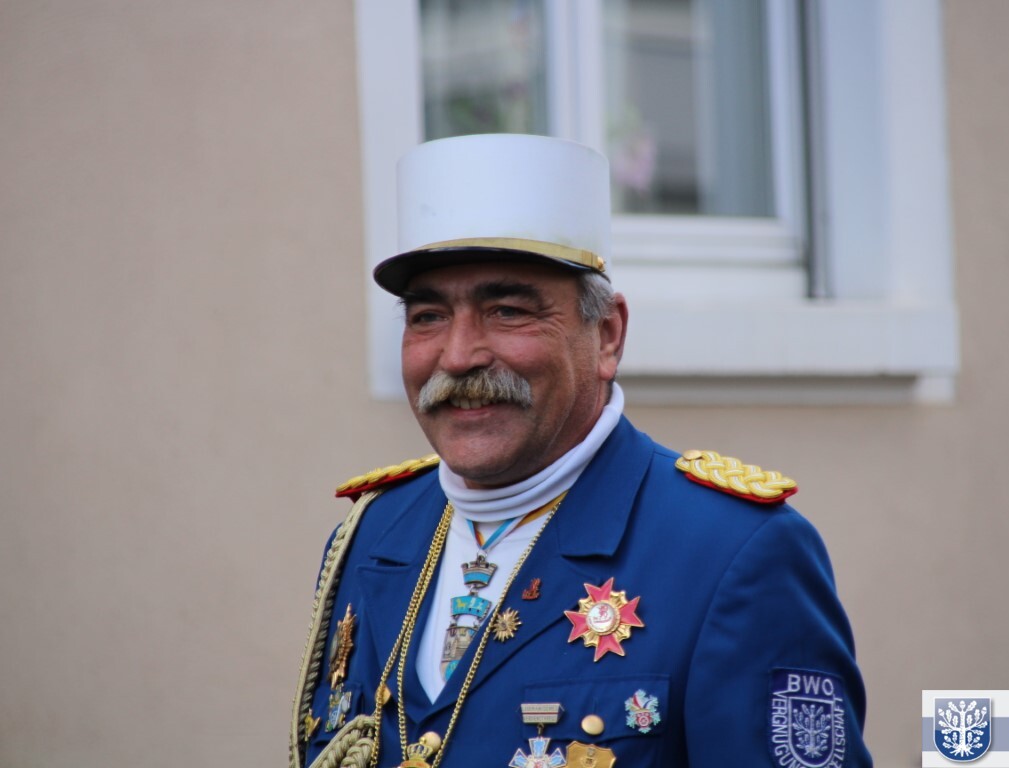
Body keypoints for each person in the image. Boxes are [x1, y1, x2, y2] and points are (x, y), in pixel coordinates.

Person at [290, 133, 872, 768]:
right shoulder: (371, 535)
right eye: (427, 316)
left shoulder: (734, 552)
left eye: (507, 311)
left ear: (608, 336)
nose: (457, 356)